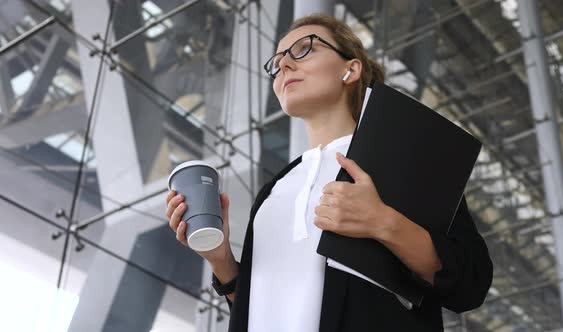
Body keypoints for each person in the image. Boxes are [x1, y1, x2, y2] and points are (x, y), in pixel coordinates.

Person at [166, 14, 493, 332]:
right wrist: (221, 260)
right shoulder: (273, 191)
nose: (284, 66)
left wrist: (382, 222)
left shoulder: (405, 159)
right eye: (277, 62)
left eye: (304, 49)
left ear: (350, 69)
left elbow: (471, 284)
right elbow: (256, 311)